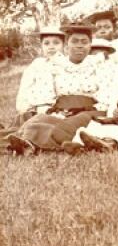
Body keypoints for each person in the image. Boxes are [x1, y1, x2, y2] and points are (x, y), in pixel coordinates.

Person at [4, 24, 111, 155]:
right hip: (62, 110)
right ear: (67, 45)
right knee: (38, 120)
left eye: (84, 42)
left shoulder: (99, 65)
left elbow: (106, 95)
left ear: (90, 45)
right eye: (74, 41)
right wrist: (54, 111)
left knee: (70, 124)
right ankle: (24, 143)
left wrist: (90, 110)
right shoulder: (56, 66)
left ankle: (37, 144)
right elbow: (48, 94)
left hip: (90, 111)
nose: (79, 45)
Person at [14, 27, 67, 122]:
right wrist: (24, 108)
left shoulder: (67, 64)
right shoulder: (37, 64)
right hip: (39, 106)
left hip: (63, 108)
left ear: (64, 45)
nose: (51, 47)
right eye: (46, 43)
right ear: (41, 46)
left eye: (56, 43)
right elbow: (25, 87)